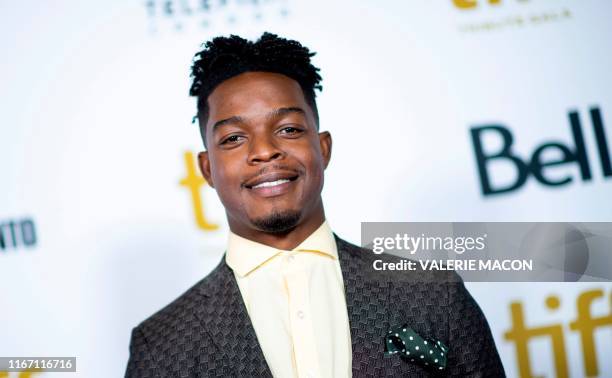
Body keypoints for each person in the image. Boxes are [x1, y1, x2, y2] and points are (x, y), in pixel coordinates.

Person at [125, 32, 505, 377]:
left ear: (322, 148)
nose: (264, 151)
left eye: (288, 129)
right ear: (207, 169)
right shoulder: (161, 346)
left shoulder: (434, 293)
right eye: (234, 138)